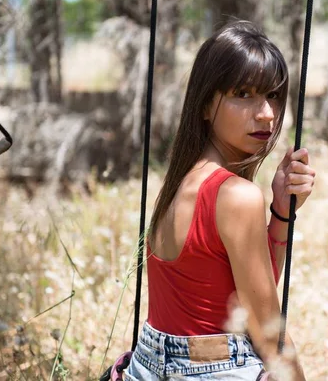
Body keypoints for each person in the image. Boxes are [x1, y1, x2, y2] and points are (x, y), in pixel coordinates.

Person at [124, 20, 315, 381]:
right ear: (206, 104)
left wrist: (280, 213)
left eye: (273, 95)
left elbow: (240, 300)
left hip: (147, 365)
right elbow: (267, 329)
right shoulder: (236, 196)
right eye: (243, 94)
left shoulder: (181, 180)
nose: (267, 114)